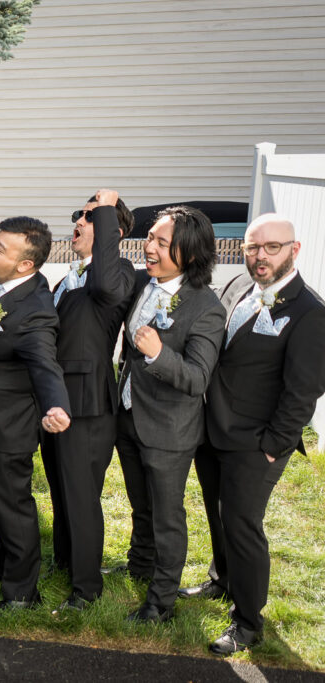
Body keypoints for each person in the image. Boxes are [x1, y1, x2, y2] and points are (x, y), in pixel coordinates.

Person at [180, 214, 325, 654]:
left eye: (271, 248)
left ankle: (247, 621)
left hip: (257, 442)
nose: (259, 257)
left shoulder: (310, 312)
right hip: (213, 431)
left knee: (243, 526)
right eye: (251, 247)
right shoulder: (236, 289)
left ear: (294, 250)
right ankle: (221, 580)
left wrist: (272, 448)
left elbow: (304, 391)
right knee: (218, 515)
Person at [114, 205, 225, 624]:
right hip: (127, 416)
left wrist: (159, 353)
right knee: (139, 506)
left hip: (168, 430)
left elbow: (197, 378)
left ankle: (160, 600)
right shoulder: (145, 282)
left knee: (166, 516)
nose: (150, 247)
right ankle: (140, 565)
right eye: (150, 238)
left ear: (191, 255)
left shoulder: (206, 308)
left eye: (163, 242)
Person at [0, 216, 72, 609]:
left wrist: (56, 404)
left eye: (1, 249)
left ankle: (23, 592)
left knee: (13, 507)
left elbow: (44, 363)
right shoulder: (3, 273)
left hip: (7, 426)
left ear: (26, 264)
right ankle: (8, 566)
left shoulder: (35, 311)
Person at [40, 189, 137, 611]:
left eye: (87, 218)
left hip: (91, 403)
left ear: (111, 233)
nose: (77, 224)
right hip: (56, 401)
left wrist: (107, 209)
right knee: (60, 491)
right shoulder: (67, 278)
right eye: (77, 216)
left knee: (81, 496)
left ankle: (86, 589)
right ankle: (65, 562)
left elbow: (104, 286)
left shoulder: (119, 274)